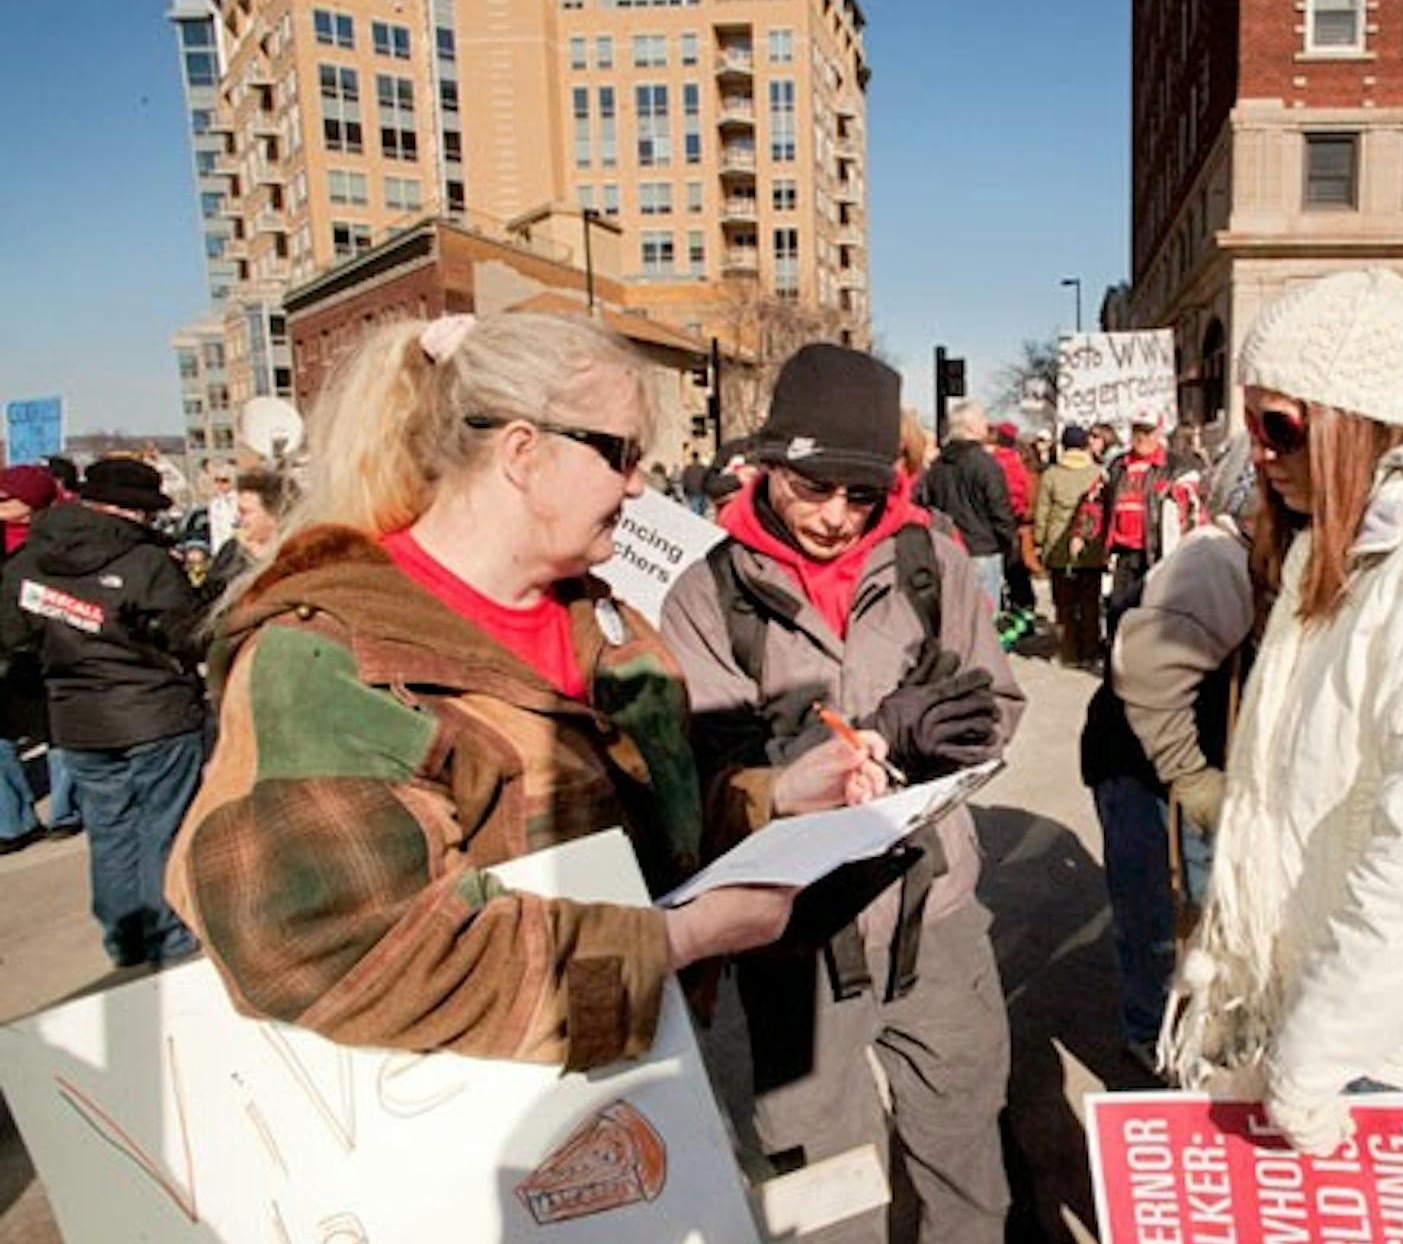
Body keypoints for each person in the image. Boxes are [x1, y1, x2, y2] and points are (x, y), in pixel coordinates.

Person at [164, 312, 864, 1069]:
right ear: (523, 452)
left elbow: (658, 818)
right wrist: (681, 939)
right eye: (621, 454)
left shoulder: (603, 620)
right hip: (477, 1134)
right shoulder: (328, 655)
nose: (638, 485)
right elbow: (326, 941)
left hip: (638, 1093)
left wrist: (781, 794)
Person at [1163, 271, 1403, 1191]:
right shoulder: (1344, 533)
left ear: (1356, 417)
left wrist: (1316, 1054)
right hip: (1314, 1009)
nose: (1256, 453)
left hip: (1378, 1050)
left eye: (1279, 425)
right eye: (1251, 424)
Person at [660, 343, 1020, 1244]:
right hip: (793, 950)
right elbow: (700, 779)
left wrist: (950, 739)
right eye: (813, 487)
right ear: (768, 464)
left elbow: (1004, 709)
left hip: (936, 921)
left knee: (966, 1174)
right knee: (817, 1196)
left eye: (860, 496)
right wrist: (824, 761)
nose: (834, 517)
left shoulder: (931, 564)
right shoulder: (707, 595)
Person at [1084, 437, 1261, 1068]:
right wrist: (1189, 774)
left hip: (1188, 762)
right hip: (1145, 767)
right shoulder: (1216, 560)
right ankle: (1153, 1036)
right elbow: (1145, 666)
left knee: (1198, 913)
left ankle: (1186, 1029)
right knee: (1160, 917)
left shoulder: (1250, 559)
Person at [1, 459, 210, 965]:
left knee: (110, 830)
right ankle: (168, 933)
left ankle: (126, 936)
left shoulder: (30, 562)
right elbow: (189, 635)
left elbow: (12, 640)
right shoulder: (146, 562)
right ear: (130, 510)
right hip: (153, 713)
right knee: (164, 824)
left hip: (80, 720)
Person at [0, 465, 76, 854]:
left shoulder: (57, 539)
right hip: (8, 649)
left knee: (57, 732)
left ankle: (66, 812)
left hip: (48, 644)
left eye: (7, 498)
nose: (0, 504)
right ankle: (11, 821)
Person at [1095, 409, 1202, 633]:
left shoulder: (1177, 467)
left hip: (1157, 553)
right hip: (1123, 553)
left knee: (1154, 612)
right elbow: (1094, 502)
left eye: (1147, 431)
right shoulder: (1116, 466)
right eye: (1137, 431)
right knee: (1117, 611)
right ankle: (1117, 660)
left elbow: (1194, 509)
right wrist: (1082, 534)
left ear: (1159, 433)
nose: (1142, 437)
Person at [916, 401, 1017, 617]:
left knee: (952, 623)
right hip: (982, 551)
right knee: (983, 625)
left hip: (945, 550)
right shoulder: (986, 465)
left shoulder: (937, 467)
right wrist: (1010, 545)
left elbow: (925, 504)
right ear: (971, 427)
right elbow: (999, 510)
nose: (987, 425)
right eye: (983, 421)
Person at [1034, 424, 1107, 666]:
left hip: (1058, 549)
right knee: (1089, 602)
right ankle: (1091, 650)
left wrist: (1039, 542)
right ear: (1086, 445)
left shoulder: (1051, 475)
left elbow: (1042, 514)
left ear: (1063, 446)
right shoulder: (1098, 473)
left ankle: (1068, 653)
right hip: (1091, 547)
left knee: (1064, 604)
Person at [205, 466, 297, 595]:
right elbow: (209, 602)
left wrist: (261, 561)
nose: (237, 519)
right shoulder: (231, 553)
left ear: (275, 514)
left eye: (245, 512)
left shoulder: (303, 554)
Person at [988, 420, 1038, 647]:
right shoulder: (1018, 462)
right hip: (1015, 524)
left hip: (998, 525)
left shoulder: (997, 461)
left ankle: (1008, 625)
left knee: (1004, 574)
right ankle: (1024, 617)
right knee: (1017, 574)